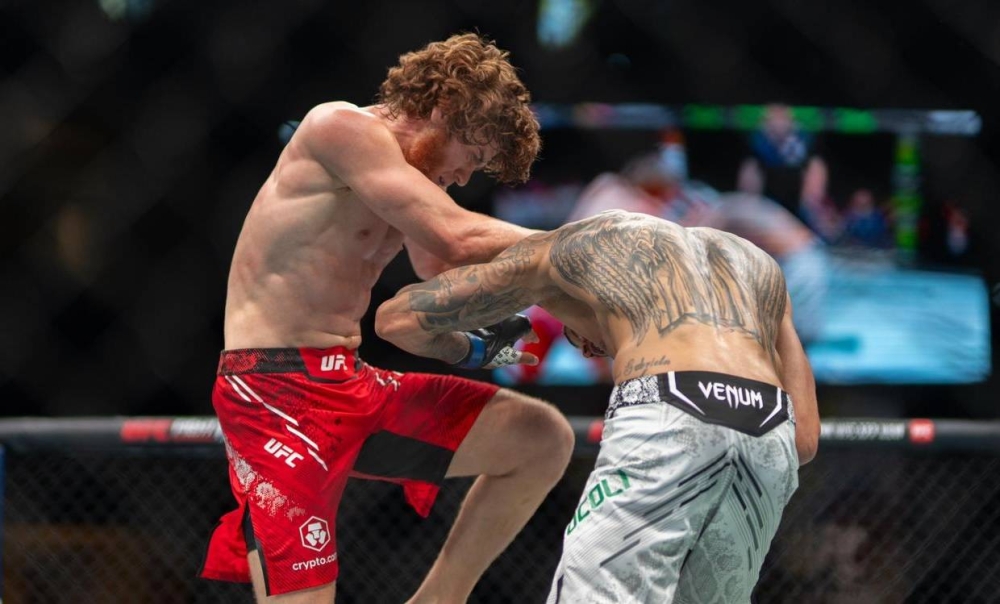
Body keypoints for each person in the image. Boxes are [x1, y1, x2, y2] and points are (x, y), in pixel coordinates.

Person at [200, 33, 576, 603]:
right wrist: (590, 243)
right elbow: (454, 235)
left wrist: (492, 329)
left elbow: (440, 265)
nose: (464, 178)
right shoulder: (338, 127)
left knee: (541, 437)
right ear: (445, 109)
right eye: (472, 158)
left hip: (349, 382)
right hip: (275, 391)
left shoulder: (408, 179)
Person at [376, 209, 821, 603]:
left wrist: (474, 350)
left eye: (580, 339)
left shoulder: (575, 246)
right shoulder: (759, 266)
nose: (592, 350)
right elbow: (803, 440)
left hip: (668, 408)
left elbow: (396, 321)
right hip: (768, 427)